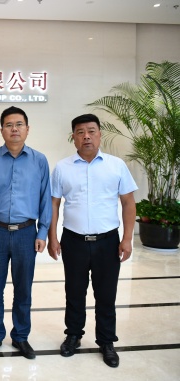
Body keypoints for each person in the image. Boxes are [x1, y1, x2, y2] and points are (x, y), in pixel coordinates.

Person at [48, 113, 137, 368]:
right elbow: (54, 204)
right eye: (80, 132)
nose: (86, 136)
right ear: (73, 137)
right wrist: (53, 237)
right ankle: (73, 336)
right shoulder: (62, 167)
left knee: (106, 295)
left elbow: (128, 203)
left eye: (91, 131)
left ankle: (106, 342)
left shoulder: (116, 165)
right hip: (73, 241)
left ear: (99, 134)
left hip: (107, 241)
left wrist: (127, 238)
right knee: (74, 292)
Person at [0, 106, 51, 359]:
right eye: (9, 125)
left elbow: (46, 198)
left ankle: (20, 336)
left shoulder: (39, 161)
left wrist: (42, 233)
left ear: (27, 129)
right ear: (1, 130)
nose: (14, 129)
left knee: (23, 289)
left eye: (19, 124)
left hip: (26, 233)